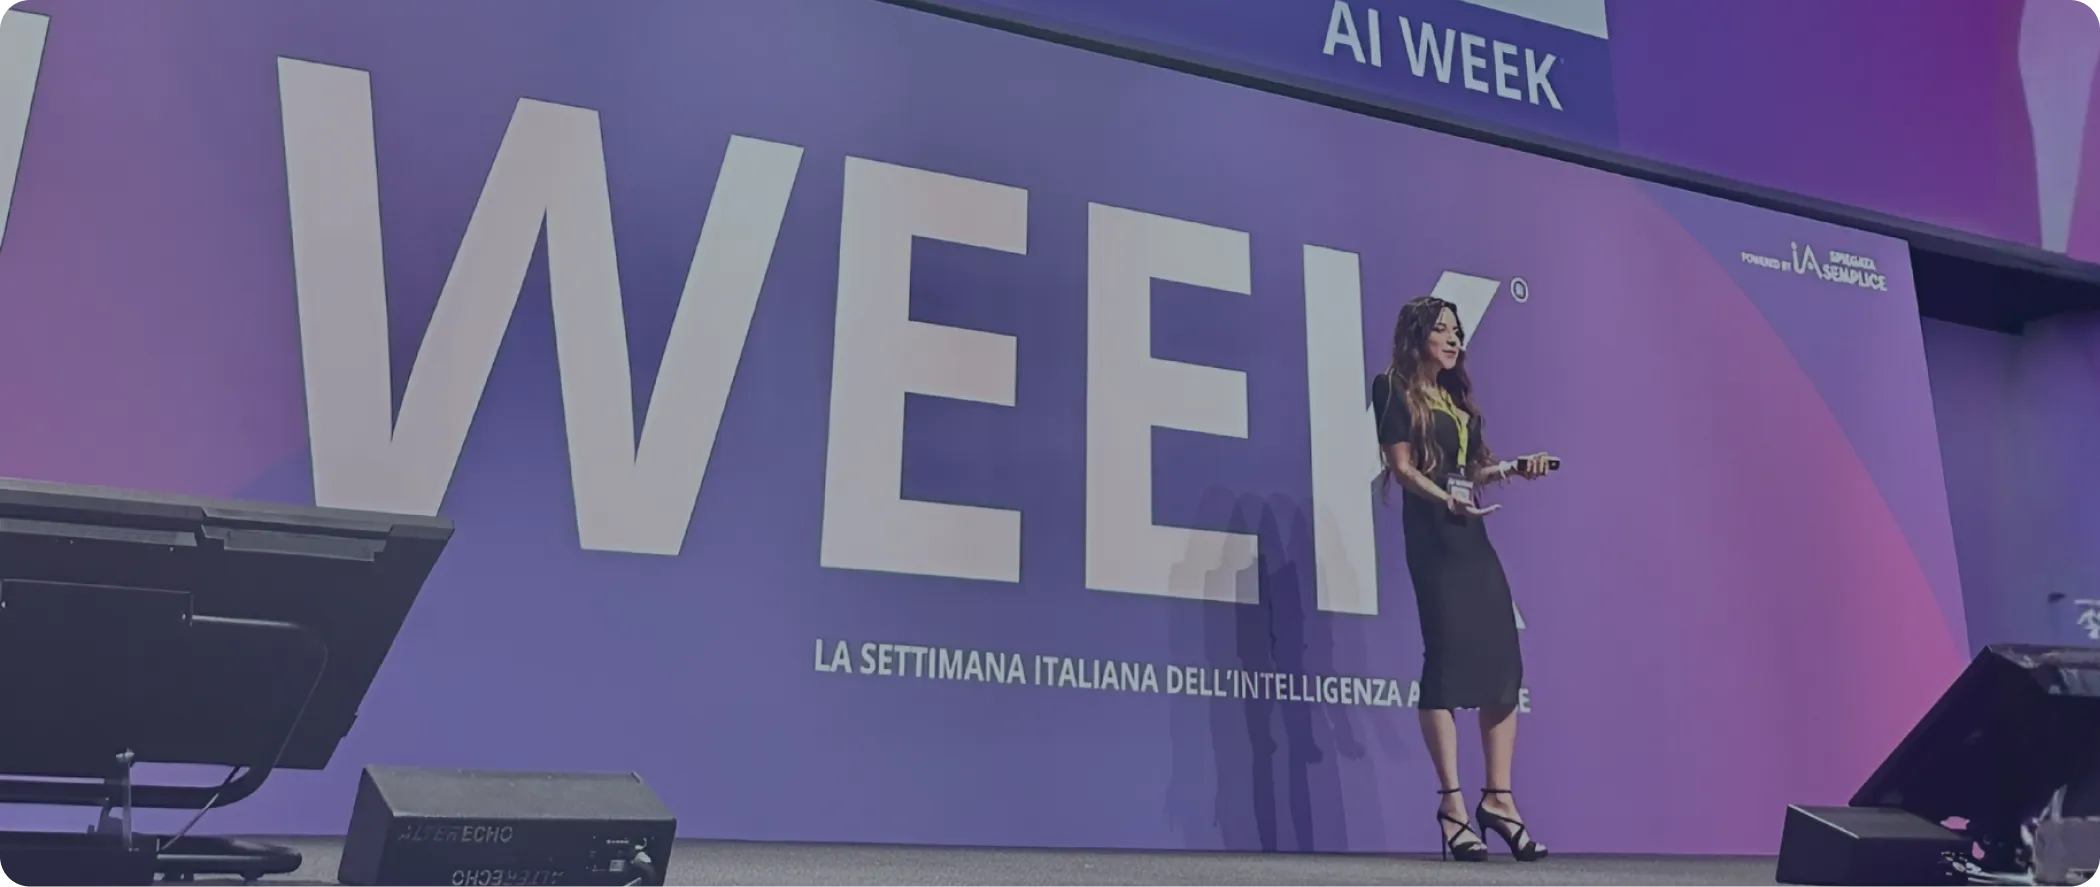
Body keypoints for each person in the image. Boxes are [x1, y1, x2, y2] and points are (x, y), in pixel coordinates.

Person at [1370, 295, 1554, 863]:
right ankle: (1452, 806)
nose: (1454, 339)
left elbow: (1469, 471)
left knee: (1503, 660)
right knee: (1447, 661)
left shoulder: (1454, 399)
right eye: (1442, 330)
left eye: (1457, 331)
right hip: (1434, 538)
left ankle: (1498, 799)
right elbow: (1402, 468)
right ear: (1417, 336)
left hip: (1471, 536)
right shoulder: (1392, 388)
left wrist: (1512, 468)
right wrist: (1447, 503)